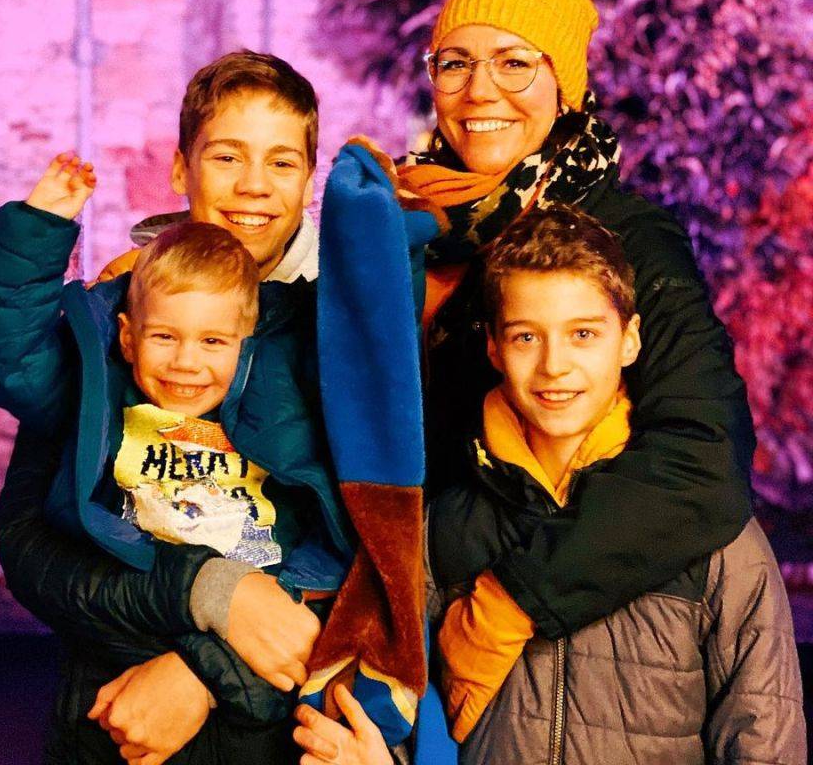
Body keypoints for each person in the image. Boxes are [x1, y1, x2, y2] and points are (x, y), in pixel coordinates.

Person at [294, 206, 805, 764]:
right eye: (525, 337)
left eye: (583, 334)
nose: (554, 365)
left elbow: (766, 742)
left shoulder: (715, 538)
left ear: (630, 340)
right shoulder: (444, 527)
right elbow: (397, 724)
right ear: (493, 348)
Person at [0, 52, 351, 764]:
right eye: (227, 157)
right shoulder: (115, 316)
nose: (253, 185)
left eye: (280, 163)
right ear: (181, 170)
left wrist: (206, 673)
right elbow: (35, 545)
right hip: (112, 694)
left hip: (271, 716)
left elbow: (360, 555)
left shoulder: (334, 333)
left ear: (310, 180)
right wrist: (38, 231)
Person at [395, 0, 755, 644]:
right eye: (455, 63)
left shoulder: (630, 240)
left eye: (514, 64)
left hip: (565, 638)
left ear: (564, 90)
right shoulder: (401, 231)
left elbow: (701, 460)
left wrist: (510, 604)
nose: (480, 90)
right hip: (408, 612)